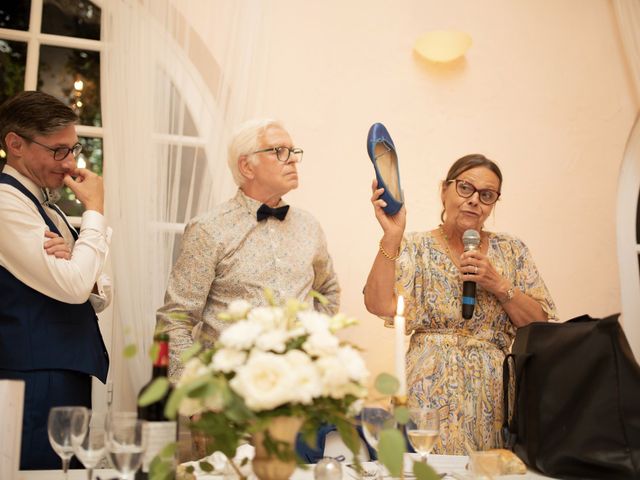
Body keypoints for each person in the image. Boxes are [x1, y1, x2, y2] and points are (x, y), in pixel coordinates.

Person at [364, 153, 556, 454]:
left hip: (490, 397)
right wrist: (391, 238)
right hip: (425, 395)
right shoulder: (417, 246)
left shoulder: (512, 250)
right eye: (465, 188)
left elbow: (540, 324)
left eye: (487, 195)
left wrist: (498, 283)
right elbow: (378, 304)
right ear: (445, 189)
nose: (474, 200)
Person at [156, 118, 340, 380]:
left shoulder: (309, 227)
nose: (292, 159)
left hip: (302, 393)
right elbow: (174, 320)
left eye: (293, 151)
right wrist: (196, 397)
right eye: (279, 151)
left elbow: (328, 291)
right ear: (247, 166)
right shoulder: (208, 230)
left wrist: (315, 345)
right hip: (231, 398)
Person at [0, 91, 111, 469]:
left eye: (73, 149)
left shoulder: (47, 207)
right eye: (58, 151)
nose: (70, 163)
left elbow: (94, 287)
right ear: (15, 144)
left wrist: (77, 263)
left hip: (63, 370)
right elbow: (74, 285)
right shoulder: (6, 202)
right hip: (33, 377)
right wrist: (94, 211)